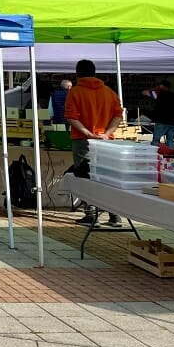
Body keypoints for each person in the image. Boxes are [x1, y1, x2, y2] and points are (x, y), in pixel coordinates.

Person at [65, 59, 123, 226]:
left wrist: (88, 134)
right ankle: (115, 215)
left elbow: (71, 117)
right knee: (106, 177)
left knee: (84, 177)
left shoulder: (75, 92)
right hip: (106, 142)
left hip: (83, 141)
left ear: (77, 74)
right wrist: (106, 134)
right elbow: (118, 115)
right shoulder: (109, 92)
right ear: (95, 72)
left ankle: (91, 214)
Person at [143, 79, 174, 147]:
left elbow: (144, 92)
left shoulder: (158, 95)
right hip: (172, 123)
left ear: (161, 86)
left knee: (156, 141)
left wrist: (156, 88)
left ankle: (154, 155)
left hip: (161, 122)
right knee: (170, 142)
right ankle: (171, 156)